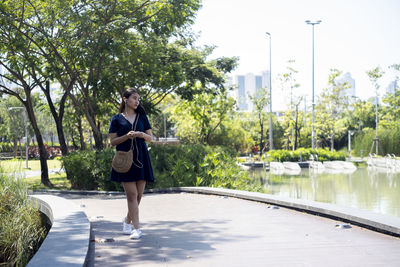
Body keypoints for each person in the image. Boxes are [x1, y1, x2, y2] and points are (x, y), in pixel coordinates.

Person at [108, 88, 154, 239]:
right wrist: (126, 137)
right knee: (132, 195)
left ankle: (127, 221)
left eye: (138, 99)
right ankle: (137, 229)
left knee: (139, 195)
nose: (137, 101)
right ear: (125, 99)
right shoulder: (116, 119)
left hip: (141, 159)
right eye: (134, 98)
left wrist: (141, 134)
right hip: (125, 159)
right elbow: (112, 141)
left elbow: (150, 138)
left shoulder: (142, 117)